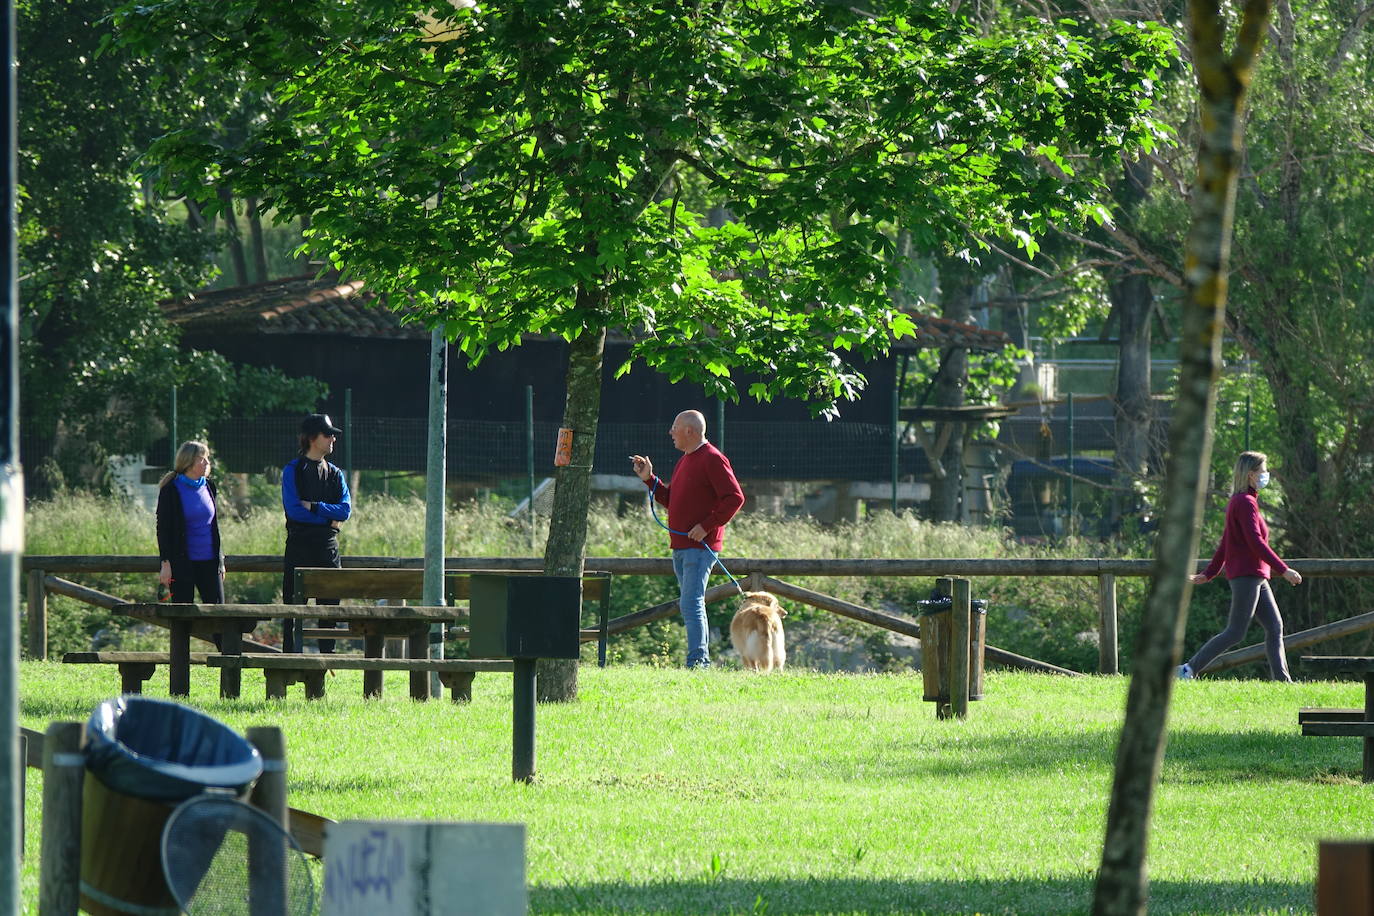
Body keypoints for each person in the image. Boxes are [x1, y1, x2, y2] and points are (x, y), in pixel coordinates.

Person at [630, 409, 744, 669]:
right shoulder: (685, 460)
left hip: (700, 547)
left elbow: (735, 498)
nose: (670, 433)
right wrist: (649, 479)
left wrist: (706, 526)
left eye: (674, 428)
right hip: (682, 547)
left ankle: (699, 662)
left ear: (689, 431)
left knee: (691, 603)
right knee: (690, 603)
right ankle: (699, 659)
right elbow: (671, 500)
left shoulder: (713, 459)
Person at [1179, 450, 1301, 681]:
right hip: (1247, 575)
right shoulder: (1244, 503)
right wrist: (1284, 570)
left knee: (1275, 627)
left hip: (1256, 576)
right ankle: (1188, 669)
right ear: (1251, 475)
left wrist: (1209, 573)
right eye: (1263, 471)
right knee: (1236, 631)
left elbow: (1226, 541)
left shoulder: (1243, 501)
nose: (1266, 476)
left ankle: (1283, 681)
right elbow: (1255, 542)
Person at [281, 413, 352, 653]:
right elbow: (293, 511)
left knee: (330, 605)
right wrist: (327, 521)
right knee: (293, 607)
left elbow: (345, 511)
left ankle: (327, 656)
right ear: (312, 438)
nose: (333, 438)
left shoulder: (335, 473)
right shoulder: (293, 470)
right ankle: (290, 658)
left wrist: (314, 506)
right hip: (299, 546)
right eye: (327, 434)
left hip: (327, 548)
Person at [157, 441, 225, 604]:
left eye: (207, 458)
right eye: (203, 459)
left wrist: (220, 560)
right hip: (181, 564)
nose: (207, 463)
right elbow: (163, 529)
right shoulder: (171, 490)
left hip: (210, 562)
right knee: (182, 619)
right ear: (189, 462)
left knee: (218, 615)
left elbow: (214, 526)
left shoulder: (209, 486)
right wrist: (165, 564)